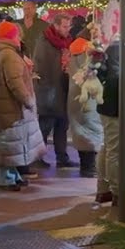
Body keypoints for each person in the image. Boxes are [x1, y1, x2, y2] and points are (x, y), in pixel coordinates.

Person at [0, 20, 44, 189]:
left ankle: (13, 175)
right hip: (11, 108)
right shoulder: (9, 55)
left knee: (10, 144)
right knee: (9, 144)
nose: (20, 38)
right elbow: (16, 83)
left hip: (4, 107)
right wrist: (28, 101)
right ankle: (7, 178)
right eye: (17, 35)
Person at [95, 35, 125, 207]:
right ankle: (118, 193)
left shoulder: (108, 59)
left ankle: (103, 190)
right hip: (116, 111)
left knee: (107, 148)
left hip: (106, 109)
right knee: (114, 152)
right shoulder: (123, 66)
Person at [32, 12, 75, 168]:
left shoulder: (66, 42)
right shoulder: (44, 42)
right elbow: (41, 68)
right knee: (45, 126)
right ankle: (37, 157)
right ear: (56, 25)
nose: (67, 29)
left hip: (62, 89)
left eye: (69, 26)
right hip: (49, 91)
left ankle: (62, 157)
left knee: (62, 126)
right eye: (65, 26)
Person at [65, 32, 104, 179]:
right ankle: (89, 168)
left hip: (75, 99)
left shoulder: (74, 55)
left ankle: (86, 166)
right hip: (88, 100)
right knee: (91, 130)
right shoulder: (87, 56)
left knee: (81, 131)